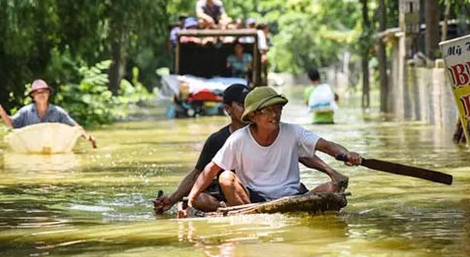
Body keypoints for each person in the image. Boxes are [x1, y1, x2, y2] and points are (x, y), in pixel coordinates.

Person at [179, 86, 361, 218]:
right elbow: (210, 170)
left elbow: (327, 146)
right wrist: (190, 201)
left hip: (293, 195)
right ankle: (251, 214)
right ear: (253, 116)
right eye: (268, 110)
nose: (275, 115)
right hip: (254, 198)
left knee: (332, 187)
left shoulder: (293, 132)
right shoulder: (238, 139)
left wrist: (347, 154)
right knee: (225, 177)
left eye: (278, 109)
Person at [154, 84, 250, 213]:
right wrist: (171, 200)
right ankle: (228, 207)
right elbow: (197, 175)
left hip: (254, 189)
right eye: (242, 104)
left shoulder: (263, 131)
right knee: (197, 198)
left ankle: (236, 208)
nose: (248, 109)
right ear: (228, 109)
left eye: (250, 104)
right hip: (230, 190)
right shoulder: (217, 140)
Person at [0, 79, 97, 148]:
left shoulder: (58, 112)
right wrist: (2, 113)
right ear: (33, 96)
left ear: (48, 94)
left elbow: (75, 127)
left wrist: (88, 137)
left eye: (44, 91)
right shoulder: (25, 111)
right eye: (37, 92)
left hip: (53, 148)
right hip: (32, 149)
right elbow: (11, 123)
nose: (41, 94)